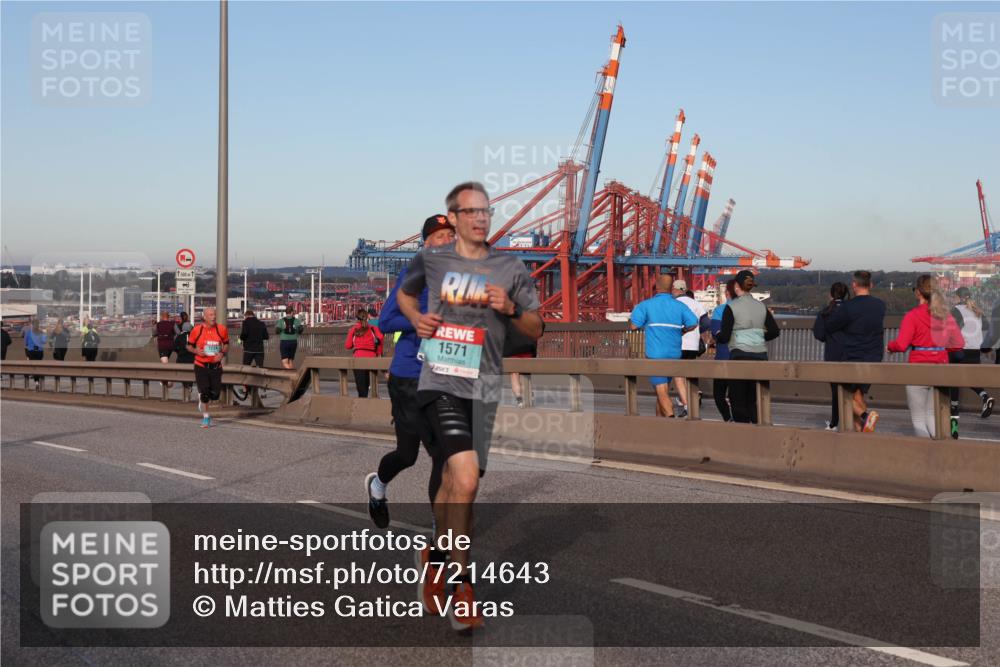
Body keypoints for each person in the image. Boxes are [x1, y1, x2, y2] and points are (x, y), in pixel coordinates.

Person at [397, 181, 543, 632]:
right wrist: (417, 317)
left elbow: (535, 328)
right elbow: (404, 294)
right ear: (455, 218)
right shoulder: (431, 260)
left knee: (462, 484)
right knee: (461, 476)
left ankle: (437, 556)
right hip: (440, 383)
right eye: (472, 212)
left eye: (486, 212)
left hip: (484, 388)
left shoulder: (509, 266)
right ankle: (464, 588)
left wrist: (512, 308)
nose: (480, 219)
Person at [366, 214, 456, 530]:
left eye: (450, 235)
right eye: (439, 236)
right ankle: (377, 486)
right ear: (426, 243)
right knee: (407, 455)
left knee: (442, 455)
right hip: (408, 376)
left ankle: (439, 525)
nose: (446, 240)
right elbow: (386, 321)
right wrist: (422, 320)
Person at [887, 275, 964, 438]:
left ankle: (928, 454)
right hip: (940, 368)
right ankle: (942, 450)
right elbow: (958, 343)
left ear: (918, 293)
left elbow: (901, 344)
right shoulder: (945, 315)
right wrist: (940, 349)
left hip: (918, 368)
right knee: (931, 415)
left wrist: (889, 347)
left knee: (918, 418)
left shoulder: (912, 316)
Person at [823, 270, 886, 432]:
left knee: (843, 395)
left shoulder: (848, 307)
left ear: (854, 285)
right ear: (870, 285)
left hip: (853, 356)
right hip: (874, 356)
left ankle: (865, 415)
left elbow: (830, 325)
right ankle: (861, 433)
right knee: (858, 395)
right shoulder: (880, 305)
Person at [715, 270, 781, 423]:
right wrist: (758, 336)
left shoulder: (731, 307)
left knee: (737, 401)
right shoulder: (761, 306)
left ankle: (743, 435)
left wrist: (717, 335)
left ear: (737, 286)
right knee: (752, 400)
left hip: (740, 356)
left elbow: (724, 337)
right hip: (760, 357)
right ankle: (758, 433)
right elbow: (774, 331)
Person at [630, 273, 699, 418]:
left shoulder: (646, 305)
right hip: (674, 353)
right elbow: (693, 323)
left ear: (656, 288)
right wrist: (682, 331)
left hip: (656, 354)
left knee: (661, 390)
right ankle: (660, 425)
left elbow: (633, 326)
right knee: (662, 392)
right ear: (671, 288)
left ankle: (670, 419)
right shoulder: (679, 305)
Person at [948, 287, 994, 424]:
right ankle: (985, 397)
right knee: (969, 378)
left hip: (961, 349)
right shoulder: (978, 311)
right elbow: (987, 329)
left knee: (953, 379)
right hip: (975, 350)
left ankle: (954, 409)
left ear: (958, 297)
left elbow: (952, 331)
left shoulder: (956, 310)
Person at [812, 282, 850, 430]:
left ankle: (835, 422)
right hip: (850, 353)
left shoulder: (826, 312)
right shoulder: (850, 310)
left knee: (835, 391)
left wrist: (829, 338)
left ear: (831, 294)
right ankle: (852, 420)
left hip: (832, 353)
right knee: (850, 390)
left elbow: (818, 334)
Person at [186, 307, 229, 428]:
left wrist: (222, 354)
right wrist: (196, 351)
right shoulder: (197, 330)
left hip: (216, 367)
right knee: (205, 394)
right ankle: (206, 417)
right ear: (204, 317)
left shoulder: (221, 329)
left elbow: (226, 344)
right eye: (210, 315)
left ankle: (203, 400)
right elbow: (188, 346)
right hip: (201, 366)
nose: (213, 317)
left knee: (215, 395)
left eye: (214, 314)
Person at [673, 278, 709, 417]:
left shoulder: (674, 303)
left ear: (676, 290)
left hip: (678, 343)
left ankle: (687, 406)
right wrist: (697, 332)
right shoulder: (695, 303)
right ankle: (692, 400)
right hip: (693, 345)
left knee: (678, 375)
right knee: (690, 374)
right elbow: (706, 323)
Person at [708, 279, 737, 422]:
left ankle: (728, 418)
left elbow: (715, 332)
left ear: (726, 293)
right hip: (740, 357)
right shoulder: (743, 310)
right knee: (737, 393)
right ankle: (741, 420)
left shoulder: (720, 310)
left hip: (723, 357)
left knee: (719, 393)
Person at [345, 308, 384, 397]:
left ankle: (362, 403)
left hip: (358, 359)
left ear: (357, 318)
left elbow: (348, 346)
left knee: (362, 389)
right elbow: (380, 340)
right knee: (372, 385)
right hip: (372, 359)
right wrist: (379, 354)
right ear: (367, 317)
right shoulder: (373, 329)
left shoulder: (353, 329)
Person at [504, 319, 541, 408]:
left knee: (514, 375)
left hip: (512, 352)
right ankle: (528, 395)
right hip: (527, 351)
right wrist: (534, 354)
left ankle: (519, 399)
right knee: (526, 375)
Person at [23, 319, 46, 388]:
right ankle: (38, 380)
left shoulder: (28, 332)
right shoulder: (41, 332)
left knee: (34, 366)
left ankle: (36, 382)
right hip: (39, 351)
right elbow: (44, 342)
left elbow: (25, 343)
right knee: (38, 366)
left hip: (31, 352)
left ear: (32, 325)